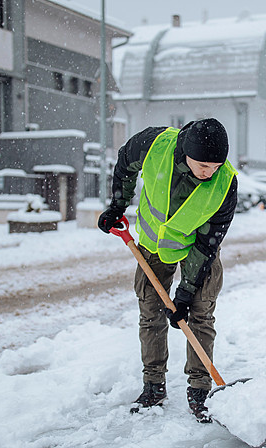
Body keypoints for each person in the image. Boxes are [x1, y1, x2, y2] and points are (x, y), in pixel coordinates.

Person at [97, 118, 238, 422]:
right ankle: (153, 386)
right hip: (152, 245)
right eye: (203, 165)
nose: (209, 172)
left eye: (215, 166)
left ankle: (200, 392)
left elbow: (207, 243)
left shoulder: (226, 183)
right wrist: (117, 206)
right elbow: (125, 163)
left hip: (197, 250)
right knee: (151, 311)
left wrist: (185, 292)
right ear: (186, 151)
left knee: (199, 314)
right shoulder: (153, 144)